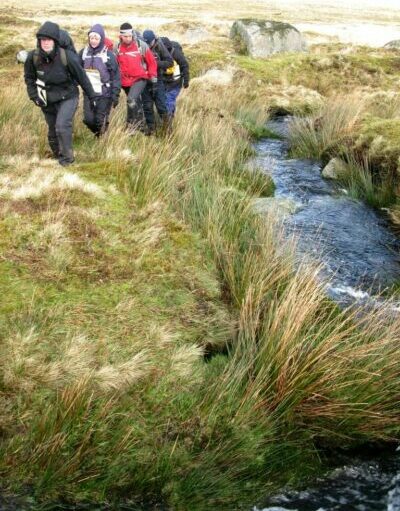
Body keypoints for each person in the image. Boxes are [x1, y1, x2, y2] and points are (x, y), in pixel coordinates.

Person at [24, 21, 96, 166]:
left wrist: (92, 97)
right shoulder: (33, 58)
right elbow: (29, 78)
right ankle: (58, 156)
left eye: (49, 39)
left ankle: (67, 161)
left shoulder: (67, 57)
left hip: (68, 96)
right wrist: (34, 97)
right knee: (52, 131)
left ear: (55, 41)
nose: (45, 43)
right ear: (39, 41)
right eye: (42, 39)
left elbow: (82, 77)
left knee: (62, 126)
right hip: (47, 99)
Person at [114, 23, 157, 133]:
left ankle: (134, 126)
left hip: (140, 78)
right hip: (125, 81)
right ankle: (140, 127)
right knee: (133, 103)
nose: (128, 38)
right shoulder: (117, 47)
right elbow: (113, 64)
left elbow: (152, 62)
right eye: (125, 36)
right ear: (121, 36)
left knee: (131, 100)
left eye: (130, 36)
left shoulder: (141, 45)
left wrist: (152, 76)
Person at [79, 24, 121, 137]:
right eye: (91, 38)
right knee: (88, 120)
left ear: (101, 39)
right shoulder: (83, 53)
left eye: (96, 38)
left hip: (104, 93)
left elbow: (116, 76)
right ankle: (100, 134)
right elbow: (76, 70)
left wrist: (115, 95)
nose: (93, 41)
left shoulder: (108, 55)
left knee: (99, 120)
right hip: (89, 93)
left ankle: (101, 138)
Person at [141, 30, 173, 134]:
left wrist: (154, 63)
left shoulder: (160, 46)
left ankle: (167, 130)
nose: (148, 45)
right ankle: (151, 130)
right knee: (147, 106)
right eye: (146, 43)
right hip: (144, 80)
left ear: (154, 40)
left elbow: (170, 62)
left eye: (149, 43)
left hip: (158, 80)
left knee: (161, 106)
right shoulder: (140, 46)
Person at [160, 37, 190, 117]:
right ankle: (170, 116)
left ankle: (168, 121)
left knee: (169, 100)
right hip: (164, 81)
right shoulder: (159, 53)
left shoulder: (176, 54)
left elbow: (185, 66)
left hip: (175, 83)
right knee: (165, 100)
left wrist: (186, 80)